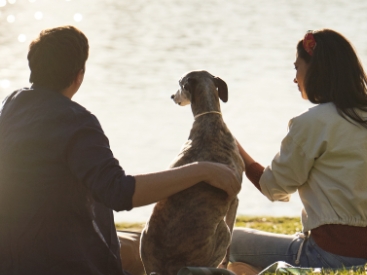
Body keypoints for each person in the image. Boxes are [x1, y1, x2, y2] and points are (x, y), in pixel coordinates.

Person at [0, 26, 241, 275]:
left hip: (13, 257)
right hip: (63, 263)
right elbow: (119, 192)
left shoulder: (11, 105)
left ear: (33, 68)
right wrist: (202, 170)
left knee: (138, 243)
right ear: (79, 75)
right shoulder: (77, 123)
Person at [230, 29, 367, 271]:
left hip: (328, 256)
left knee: (229, 240)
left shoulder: (314, 123)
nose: (295, 78)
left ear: (315, 70)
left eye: (297, 68)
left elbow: (274, 188)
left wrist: (232, 146)